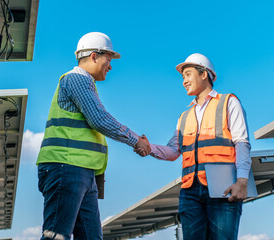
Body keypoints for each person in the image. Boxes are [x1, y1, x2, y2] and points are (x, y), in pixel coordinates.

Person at [36, 32, 150, 240]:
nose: (111, 65)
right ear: (94, 56)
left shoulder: (86, 84)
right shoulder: (77, 80)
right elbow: (100, 119)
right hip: (66, 167)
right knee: (56, 236)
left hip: (81, 172)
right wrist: (136, 140)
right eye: (109, 59)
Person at [135, 53, 251, 240]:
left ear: (204, 74)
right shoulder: (184, 116)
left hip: (223, 188)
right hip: (189, 191)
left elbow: (242, 142)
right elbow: (174, 151)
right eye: (183, 77)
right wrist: (150, 148)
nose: (184, 81)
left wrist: (242, 181)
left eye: (188, 75)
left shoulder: (229, 102)